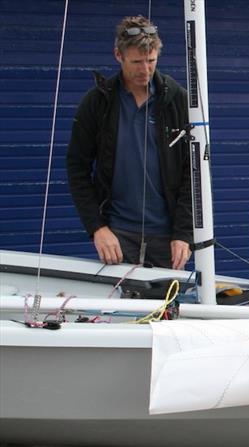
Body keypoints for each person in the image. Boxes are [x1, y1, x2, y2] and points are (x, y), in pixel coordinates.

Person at [67, 16, 192, 270]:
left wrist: (184, 234)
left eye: (151, 61)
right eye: (136, 62)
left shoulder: (178, 100)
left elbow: (193, 173)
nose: (145, 70)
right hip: (116, 235)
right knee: (116, 309)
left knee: (167, 310)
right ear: (118, 55)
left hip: (167, 239)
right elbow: (77, 168)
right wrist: (97, 227)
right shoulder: (98, 102)